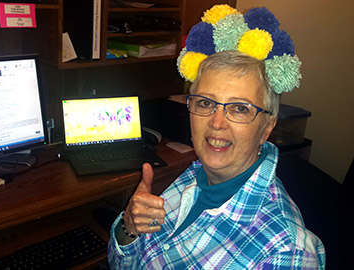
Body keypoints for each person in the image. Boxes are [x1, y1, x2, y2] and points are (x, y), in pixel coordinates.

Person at [108, 5, 325, 269]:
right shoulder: (195, 174)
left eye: (240, 108)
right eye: (204, 103)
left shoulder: (286, 254)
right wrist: (128, 230)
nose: (216, 122)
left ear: (267, 127)